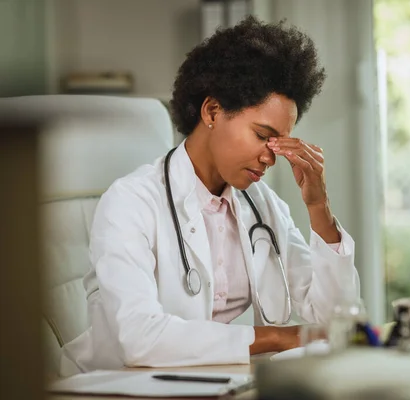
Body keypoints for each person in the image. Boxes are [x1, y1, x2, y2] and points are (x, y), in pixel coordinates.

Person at [60, 15, 359, 375]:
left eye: (279, 142)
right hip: (116, 387)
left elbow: (334, 321)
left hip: (214, 383)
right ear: (212, 111)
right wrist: (278, 338)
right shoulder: (131, 202)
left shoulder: (262, 206)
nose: (271, 156)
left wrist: (318, 207)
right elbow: (139, 338)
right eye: (263, 135)